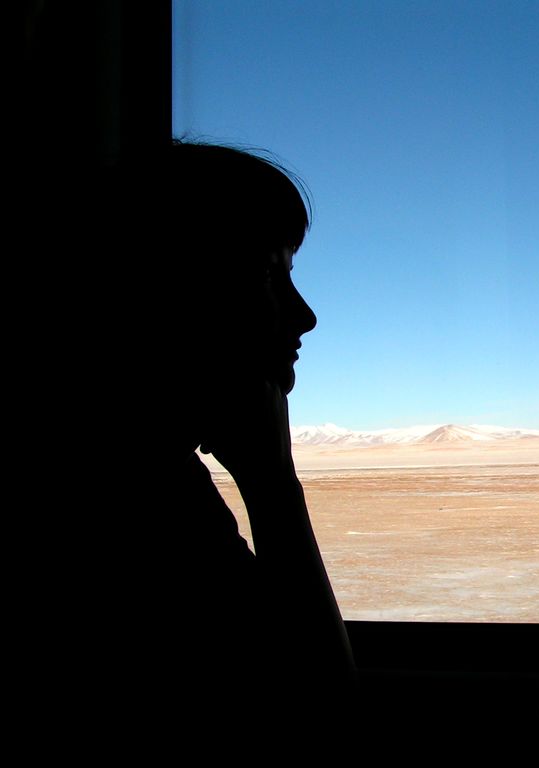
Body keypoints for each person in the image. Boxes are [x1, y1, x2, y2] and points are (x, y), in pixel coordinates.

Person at [107, 140, 355, 730]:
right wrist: (273, 484)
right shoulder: (134, 493)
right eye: (269, 274)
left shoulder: (163, 471)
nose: (305, 315)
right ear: (169, 288)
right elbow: (313, 720)